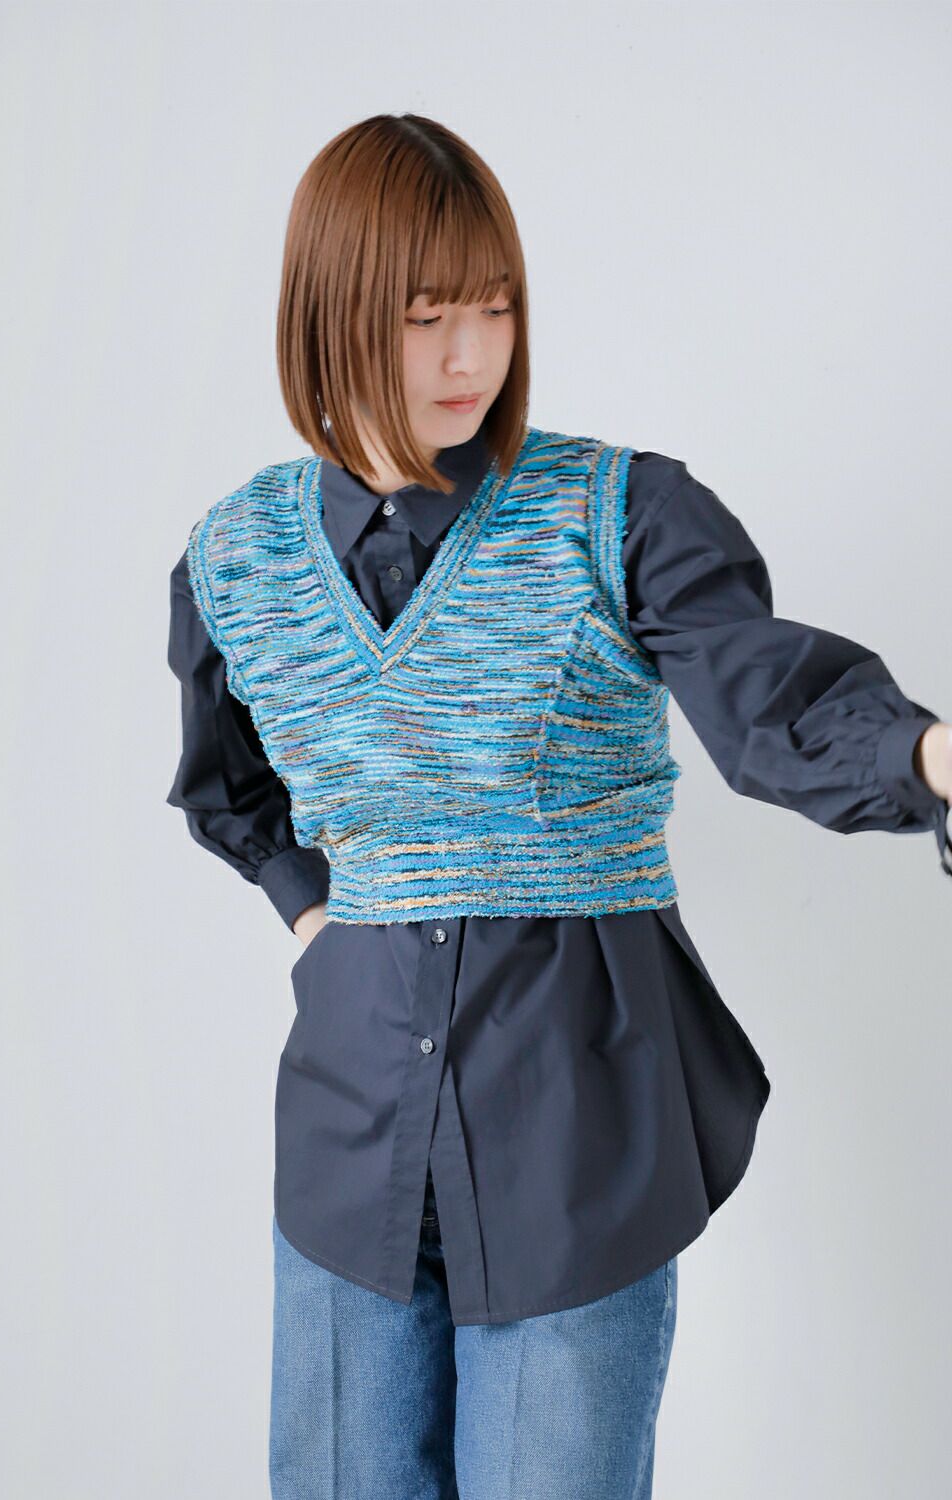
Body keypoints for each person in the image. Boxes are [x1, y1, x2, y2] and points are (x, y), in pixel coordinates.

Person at [166, 112, 952, 1500]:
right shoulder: (233, 557)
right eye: (424, 318)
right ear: (330, 315)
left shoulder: (619, 513)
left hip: (576, 1131)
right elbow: (228, 790)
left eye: (495, 307)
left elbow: (767, 701)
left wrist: (932, 757)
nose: (470, 356)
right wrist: (315, 921)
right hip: (347, 1144)